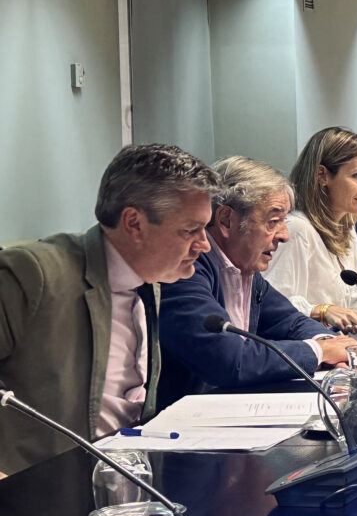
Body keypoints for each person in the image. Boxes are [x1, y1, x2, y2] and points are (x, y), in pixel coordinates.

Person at [0, 144, 219, 475]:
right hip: (39, 490)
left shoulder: (149, 280)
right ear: (134, 223)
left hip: (126, 478)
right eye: (191, 230)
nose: (204, 245)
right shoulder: (35, 273)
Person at [158, 157, 357, 408]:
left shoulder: (247, 271)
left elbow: (290, 321)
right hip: (182, 421)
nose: (284, 235)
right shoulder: (185, 269)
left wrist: (331, 345)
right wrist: (320, 352)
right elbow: (229, 360)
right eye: (273, 222)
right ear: (226, 220)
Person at [264, 126, 357, 336]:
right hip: (306, 349)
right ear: (322, 176)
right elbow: (272, 306)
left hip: (339, 345)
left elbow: (356, 293)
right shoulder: (297, 229)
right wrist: (322, 310)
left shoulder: (346, 227)